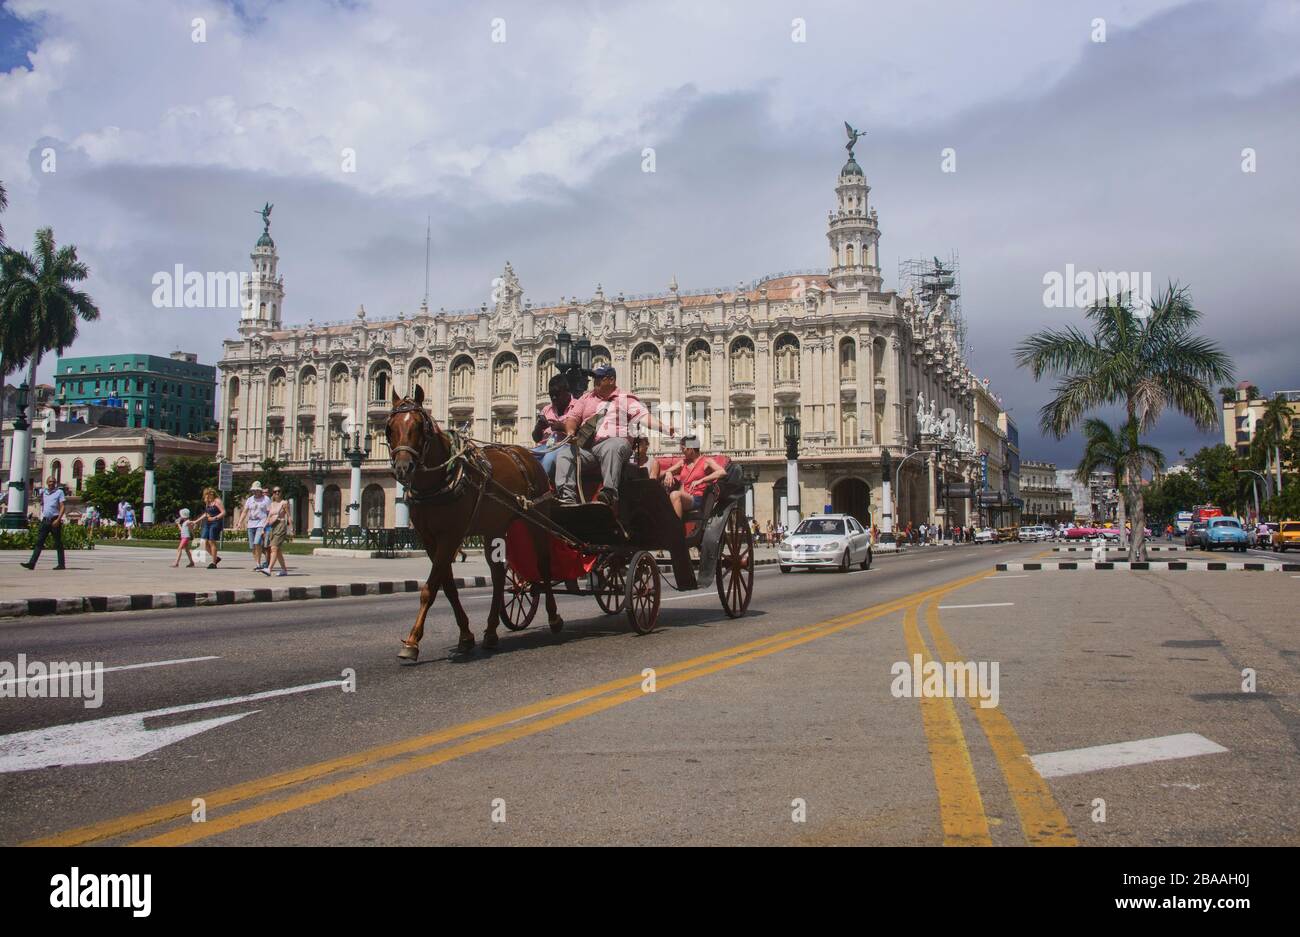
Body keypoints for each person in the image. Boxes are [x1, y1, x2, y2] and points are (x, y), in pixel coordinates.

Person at [554, 365, 674, 507]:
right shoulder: (586, 398)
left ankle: (609, 493)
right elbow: (572, 418)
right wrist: (570, 431)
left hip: (615, 443)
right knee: (565, 453)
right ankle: (567, 498)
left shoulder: (626, 399)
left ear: (611, 380)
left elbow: (644, 417)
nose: (595, 382)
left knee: (613, 446)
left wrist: (664, 428)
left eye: (599, 378)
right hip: (588, 447)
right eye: (594, 378)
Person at [658, 435, 726, 519]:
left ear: (691, 448)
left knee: (675, 495)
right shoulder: (683, 462)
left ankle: (676, 529)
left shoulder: (706, 461)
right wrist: (669, 473)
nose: (682, 451)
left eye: (683, 448)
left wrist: (701, 480)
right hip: (685, 496)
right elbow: (664, 472)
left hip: (698, 498)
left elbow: (722, 472)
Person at [530, 373, 575, 480]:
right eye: (551, 395)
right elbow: (536, 438)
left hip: (564, 446)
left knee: (548, 459)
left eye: (557, 394)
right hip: (544, 446)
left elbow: (581, 433)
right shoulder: (546, 409)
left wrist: (562, 427)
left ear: (567, 392)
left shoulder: (577, 406)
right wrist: (539, 427)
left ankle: (542, 488)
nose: (554, 398)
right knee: (525, 457)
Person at [20, 476, 68, 570]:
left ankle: (61, 564)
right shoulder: (44, 492)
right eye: (50, 481)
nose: (52, 483)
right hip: (45, 520)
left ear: (55, 483)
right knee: (39, 542)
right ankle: (32, 563)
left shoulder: (59, 492)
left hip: (55, 520)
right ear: (47, 482)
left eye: (53, 482)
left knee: (58, 543)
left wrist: (58, 519)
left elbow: (62, 507)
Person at [238, 481, 272, 570]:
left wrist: (267, 522)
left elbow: (269, 512)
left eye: (256, 490)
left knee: (257, 542)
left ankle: (260, 562)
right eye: (253, 490)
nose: (254, 492)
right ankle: (258, 564)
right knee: (252, 546)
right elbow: (245, 511)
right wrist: (240, 522)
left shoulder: (266, 499)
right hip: (251, 523)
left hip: (261, 523)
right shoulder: (250, 499)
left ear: (260, 490)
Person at [261, 486, 292, 577]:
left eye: (279, 491)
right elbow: (269, 517)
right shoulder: (272, 504)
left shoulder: (284, 503)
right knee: (277, 550)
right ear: (273, 493)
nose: (277, 493)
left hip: (281, 526)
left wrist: (291, 528)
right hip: (272, 527)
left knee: (273, 548)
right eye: (275, 492)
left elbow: (289, 516)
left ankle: (269, 569)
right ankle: (284, 570)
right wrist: (264, 528)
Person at [201, 487, 226, 568]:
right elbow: (206, 514)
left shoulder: (217, 501)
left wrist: (214, 518)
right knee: (203, 542)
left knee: (212, 541)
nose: (207, 498)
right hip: (207, 523)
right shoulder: (208, 503)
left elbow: (223, 512)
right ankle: (216, 558)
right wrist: (195, 521)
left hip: (215, 523)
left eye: (208, 496)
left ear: (211, 494)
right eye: (205, 496)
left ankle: (213, 563)